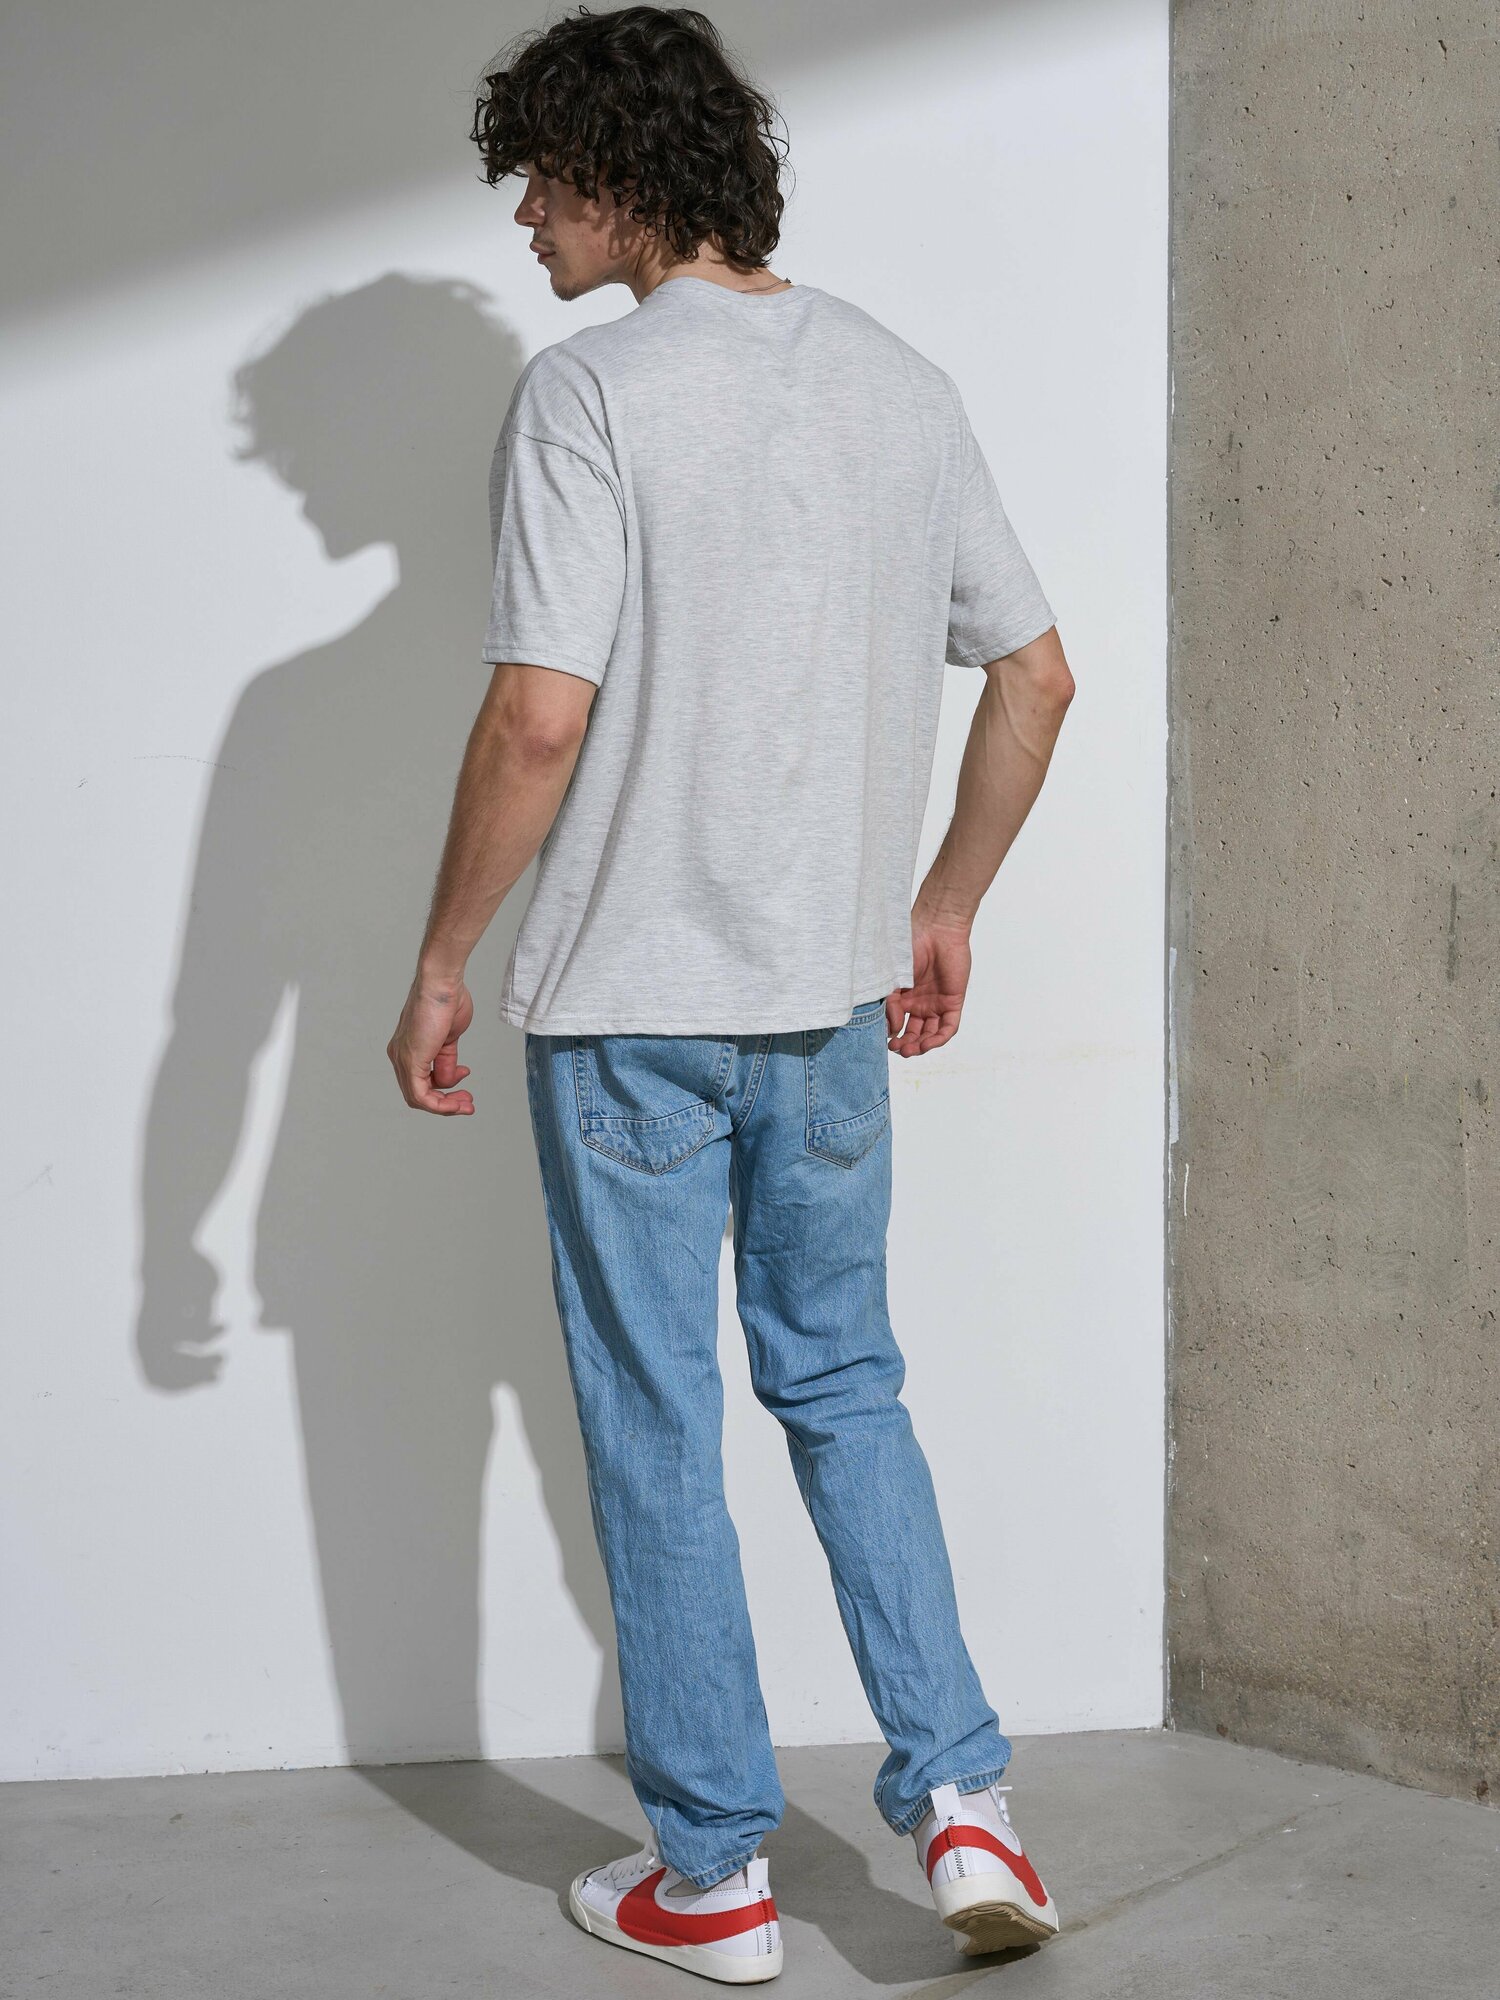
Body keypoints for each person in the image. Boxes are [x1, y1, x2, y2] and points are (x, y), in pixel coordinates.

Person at [387, 6, 1075, 1982]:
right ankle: (963, 1798)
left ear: (621, 172)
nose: (525, 217)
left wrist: (441, 959)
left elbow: (539, 715)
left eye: (542, 176)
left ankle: (714, 1875)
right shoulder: (900, 384)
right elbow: (1037, 675)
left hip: (627, 1015)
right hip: (829, 1011)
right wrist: (943, 905)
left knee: (657, 1416)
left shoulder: (591, 396)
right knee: (846, 1386)